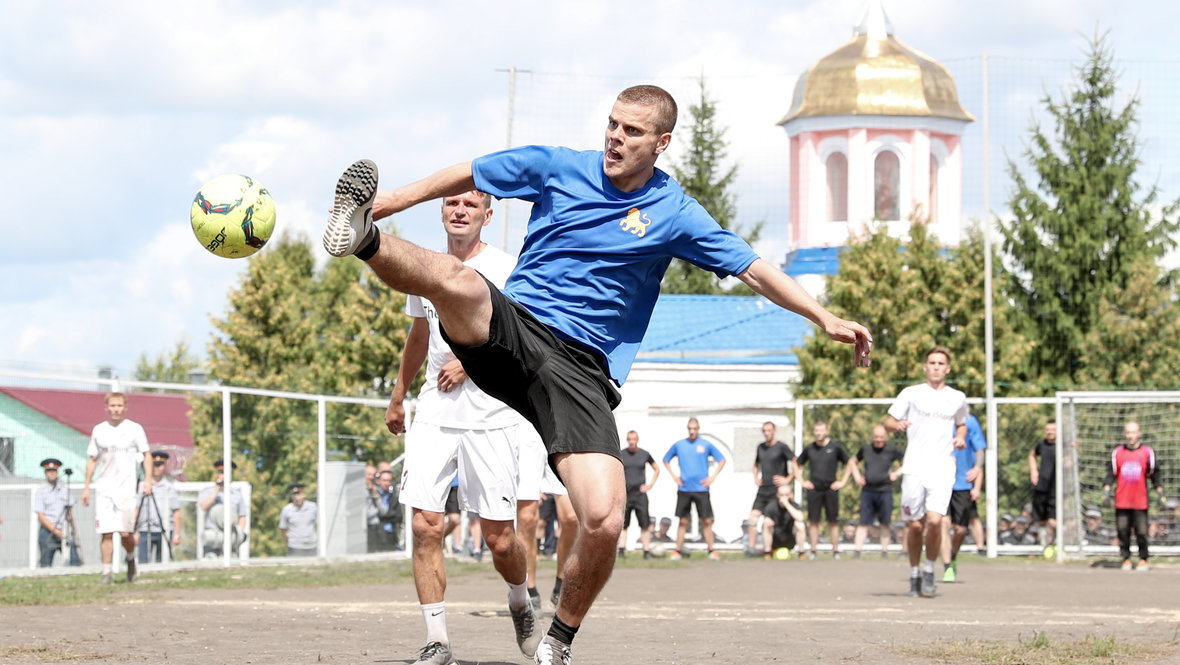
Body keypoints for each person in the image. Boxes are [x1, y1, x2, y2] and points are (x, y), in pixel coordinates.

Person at [322, 84, 872, 664]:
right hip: (518, 329)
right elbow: (470, 170)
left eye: (632, 131)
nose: (615, 136)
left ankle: (556, 641)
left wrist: (823, 316)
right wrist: (389, 202)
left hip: (583, 371)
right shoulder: (558, 167)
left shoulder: (675, 212)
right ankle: (363, 236)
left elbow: (754, 270)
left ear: (660, 144)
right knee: (458, 280)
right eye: (612, 124)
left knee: (605, 518)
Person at [384, 190, 541, 664]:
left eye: (470, 205)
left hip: (493, 415)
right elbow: (419, 332)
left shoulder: (507, 269)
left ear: (487, 216)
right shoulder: (425, 267)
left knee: (499, 538)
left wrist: (471, 365)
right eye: (452, 203)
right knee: (425, 524)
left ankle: (520, 599)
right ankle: (438, 641)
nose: (459, 210)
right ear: (442, 211)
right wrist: (398, 395)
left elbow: (521, 337)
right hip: (434, 413)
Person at [885, 347, 968, 598]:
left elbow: (962, 424)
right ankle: (914, 573)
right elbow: (888, 421)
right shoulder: (911, 394)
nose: (936, 366)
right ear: (925, 366)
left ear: (948, 368)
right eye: (932, 362)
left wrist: (961, 438)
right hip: (914, 467)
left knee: (935, 521)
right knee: (915, 526)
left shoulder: (957, 397)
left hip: (942, 467)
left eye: (941, 363)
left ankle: (930, 569)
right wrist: (896, 425)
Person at [82, 392, 152, 585]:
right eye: (112, 405)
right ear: (107, 407)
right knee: (106, 532)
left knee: (125, 533)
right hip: (105, 488)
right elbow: (92, 459)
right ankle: (106, 573)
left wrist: (148, 480)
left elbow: (147, 455)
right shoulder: (99, 430)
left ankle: (130, 559)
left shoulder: (134, 429)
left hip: (126, 490)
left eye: (119, 405)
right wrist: (87, 487)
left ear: (125, 407)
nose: (116, 409)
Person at [1103, 420, 1165, 571]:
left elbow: (1154, 474)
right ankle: (1126, 559)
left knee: (1142, 532)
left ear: (1139, 434)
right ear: (1125, 434)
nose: (1130, 436)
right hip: (1122, 501)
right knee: (1122, 531)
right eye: (1128, 432)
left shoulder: (1147, 452)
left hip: (1140, 501)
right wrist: (1106, 490)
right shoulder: (1117, 452)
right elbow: (1111, 473)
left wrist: (1160, 492)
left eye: (1133, 432)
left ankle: (1143, 559)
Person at [662, 417, 727, 561]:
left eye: (694, 429)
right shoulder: (679, 445)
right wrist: (674, 476)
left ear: (698, 429)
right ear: (687, 429)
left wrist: (712, 477)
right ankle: (677, 551)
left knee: (706, 520)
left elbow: (722, 460)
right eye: (690, 429)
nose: (692, 431)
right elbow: (666, 459)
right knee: (683, 521)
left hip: (701, 489)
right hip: (684, 488)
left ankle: (711, 551)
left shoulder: (705, 444)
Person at [795, 421, 853, 559]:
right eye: (816, 430)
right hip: (814, 489)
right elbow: (796, 464)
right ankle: (813, 551)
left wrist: (843, 481)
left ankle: (836, 551)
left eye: (821, 430)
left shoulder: (835, 447)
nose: (819, 433)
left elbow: (850, 463)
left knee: (833, 521)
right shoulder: (810, 449)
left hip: (830, 489)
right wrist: (802, 481)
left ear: (827, 431)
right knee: (813, 521)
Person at [940, 413, 985, 582]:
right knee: (943, 523)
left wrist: (977, 468)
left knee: (960, 529)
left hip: (962, 482)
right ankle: (947, 567)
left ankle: (952, 556)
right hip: (941, 481)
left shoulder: (970, 421)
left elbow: (979, 448)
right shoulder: (936, 419)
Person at [850, 425, 903, 558]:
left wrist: (896, 473)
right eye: (876, 437)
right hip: (868, 491)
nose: (879, 440)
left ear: (886, 437)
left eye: (881, 437)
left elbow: (907, 462)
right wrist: (857, 476)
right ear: (872, 437)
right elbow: (852, 462)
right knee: (863, 522)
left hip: (885, 491)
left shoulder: (892, 451)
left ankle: (884, 551)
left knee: (885, 523)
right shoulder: (866, 449)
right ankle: (857, 551)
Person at [746, 421, 794, 556]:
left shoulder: (782, 447)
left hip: (776, 491)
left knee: (770, 521)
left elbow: (796, 462)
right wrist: (756, 477)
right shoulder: (761, 447)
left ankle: (770, 549)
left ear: (774, 431)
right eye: (764, 431)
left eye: (769, 430)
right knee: (753, 519)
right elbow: (756, 464)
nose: (766, 433)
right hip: (763, 490)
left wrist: (788, 479)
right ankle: (751, 549)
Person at [618, 430, 660, 559]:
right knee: (624, 524)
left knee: (644, 524)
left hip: (641, 495)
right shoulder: (622, 454)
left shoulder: (644, 454)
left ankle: (646, 551)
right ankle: (621, 550)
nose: (632, 441)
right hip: (626, 495)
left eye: (634, 439)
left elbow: (657, 468)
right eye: (630, 439)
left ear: (637, 440)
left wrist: (650, 485)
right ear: (627, 440)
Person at [135, 450, 181, 563]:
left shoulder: (169, 487)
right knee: (143, 562)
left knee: (163, 561)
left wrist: (177, 534)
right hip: (145, 529)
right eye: (154, 465)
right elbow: (136, 509)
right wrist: (133, 531)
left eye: (159, 465)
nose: (156, 468)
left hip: (164, 529)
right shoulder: (142, 486)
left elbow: (176, 512)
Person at [34, 457, 79, 568]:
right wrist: (55, 531)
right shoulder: (41, 491)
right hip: (48, 531)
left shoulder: (64, 488)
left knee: (74, 560)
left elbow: (69, 510)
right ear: (45, 473)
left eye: (54, 471)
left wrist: (70, 528)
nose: (52, 473)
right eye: (49, 471)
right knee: (45, 564)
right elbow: (41, 515)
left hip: (64, 529)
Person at [198, 459, 248, 558]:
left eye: (226, 472)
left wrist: (238, 534)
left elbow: (242, 516)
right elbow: (203, 506)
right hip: (212, 534)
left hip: (230, 534)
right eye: (221, 472)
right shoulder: (208, 491)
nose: (223, 475)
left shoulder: (237, 495)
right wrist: (217, 489)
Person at [1028, 419, 1058, 547]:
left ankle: (1058, 544)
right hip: (1042, 486)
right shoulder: (1042, 444)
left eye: (1053, 430)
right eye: (1048, 430)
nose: (1050, 432)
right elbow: (1032, 455)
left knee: (1053, 521)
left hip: (1056, 487)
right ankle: (1044, 546)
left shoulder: (1063, 445)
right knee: (1041, 520)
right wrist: (1034, 471)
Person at [760, 484, 806, 559]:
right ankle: (767, 553)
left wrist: (787, 504)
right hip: (775, 539)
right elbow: (766, 519)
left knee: (800, 525)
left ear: (791, 495)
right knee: (766, 524)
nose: (784, 497)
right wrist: (768, 521)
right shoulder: (771, 506)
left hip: (790, 539)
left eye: (786, 495)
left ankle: (801, 553)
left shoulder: (795, 506)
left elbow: (800, 518)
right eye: (781, 495)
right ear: (777, 495)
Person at [367, 469, 401, 552]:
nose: (387, 483)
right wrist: (390, 514)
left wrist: (382, 514)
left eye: (389, 481)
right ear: (378, 481)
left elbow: (399, 517)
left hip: (390, 534)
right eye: (384, 480)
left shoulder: (394, 497)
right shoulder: (373, 495)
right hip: (376, 533)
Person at [279, 482, 317, 557]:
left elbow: (318, 525)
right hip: (294, 547)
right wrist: (289, 543)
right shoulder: (287, 509)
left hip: (312, 546)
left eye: (299, 494)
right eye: (294, 495)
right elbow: (283, 529)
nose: (297, 497)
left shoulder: (313, 507)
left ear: (304, 494)